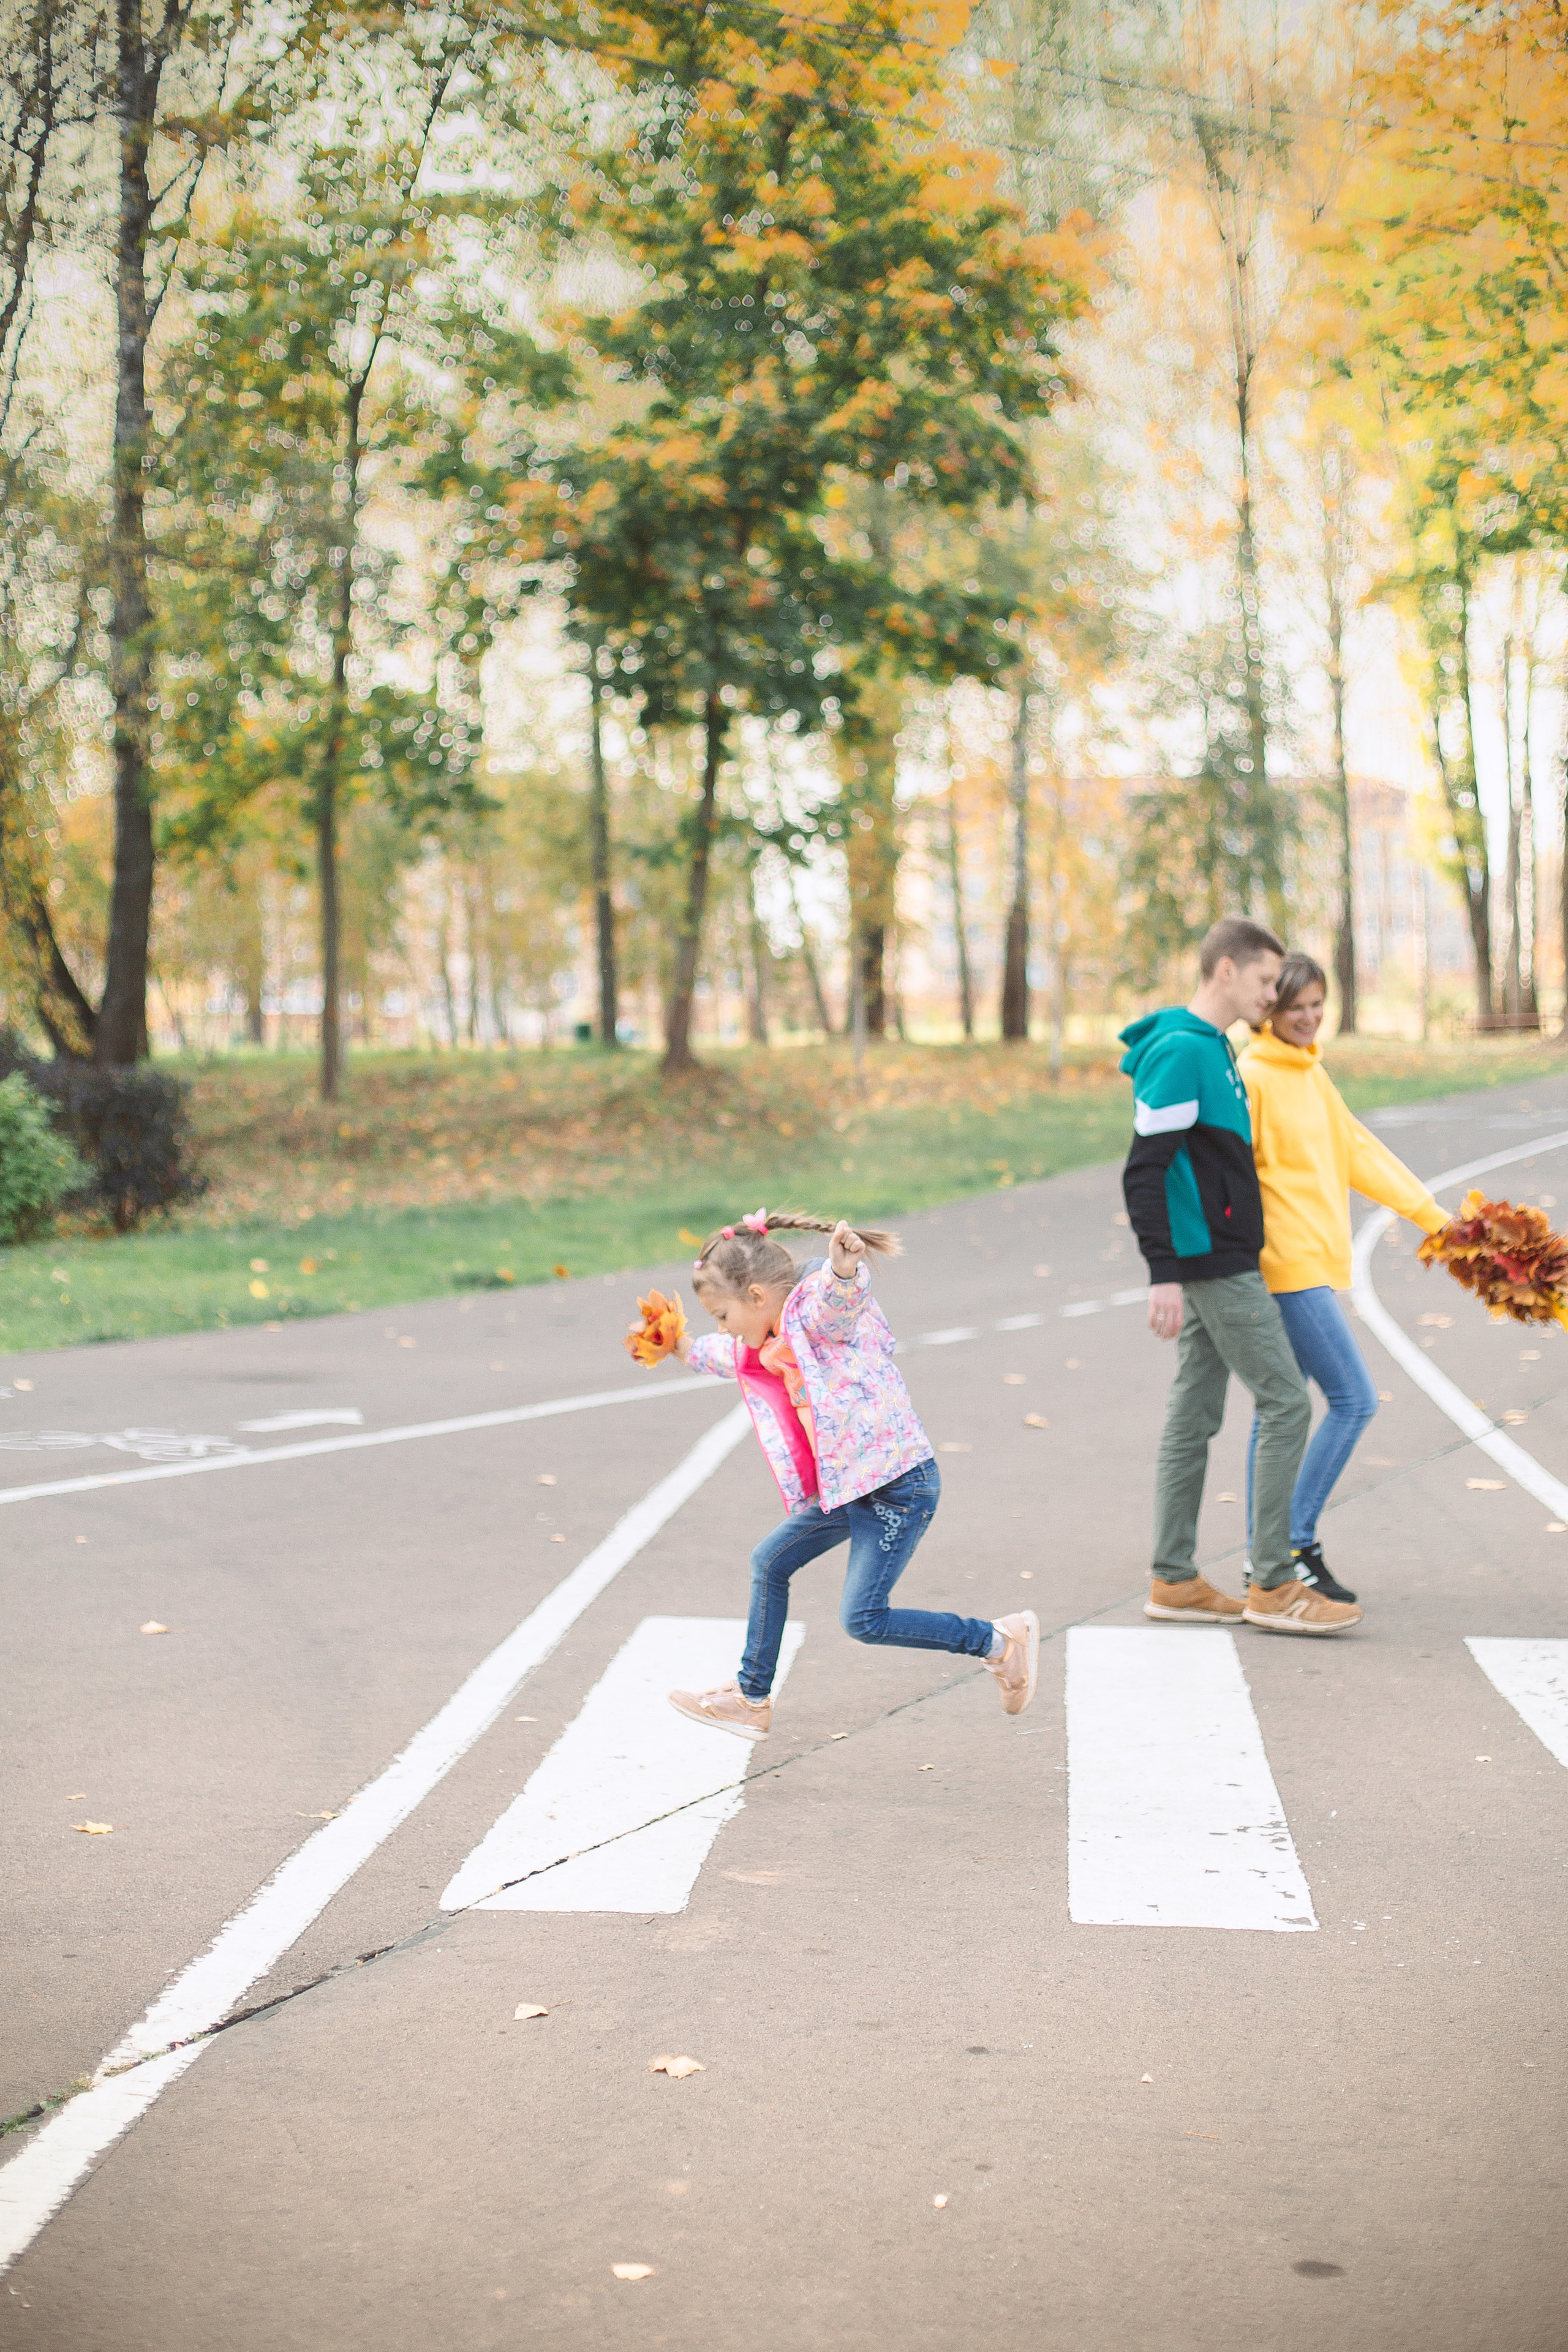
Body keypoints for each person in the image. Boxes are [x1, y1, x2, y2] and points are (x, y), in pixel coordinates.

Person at [652, 1208, 1038, 1739]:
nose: (722, 1328)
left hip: (896, 1487)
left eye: (722, 1315)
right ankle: (751, 1698)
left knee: (864, 1619)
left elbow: (837, 1307)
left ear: (758, 1297)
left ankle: (998, 1642)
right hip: (847, 1488)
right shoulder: (768, 1343)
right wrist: (674, 1343)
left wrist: (842, 1271)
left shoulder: (812, 1318)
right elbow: (721, 1354)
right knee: (770, 1562)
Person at [1120, 917, 1362, 1634]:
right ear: (1225, 971)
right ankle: (1274, 1585)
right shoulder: (1182, 1052)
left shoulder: (1213, 1048)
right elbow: (1144, 1170)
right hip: (1213, 1263)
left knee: (1193, 1413)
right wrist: (1162, 1271)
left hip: (1219, 1256)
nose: (1271, 995)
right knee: (1287, 1402)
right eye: (1263, 980)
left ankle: (1173, 1579)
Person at [1239, 950, 1447, 1604]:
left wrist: (1434, 1219)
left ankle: (1265, 1556)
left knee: (1279, 1412)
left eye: (1316, 1005)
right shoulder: (1254, 1077)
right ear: (1268, 1010)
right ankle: (1293, 1545)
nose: (1308, 1017)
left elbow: (1359, 1152)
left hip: (1309, 1262)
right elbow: (1230, 1175)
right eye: (1294, 1007)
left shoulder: (1310, 1073)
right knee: (1353, 1399)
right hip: (1283, 1265)